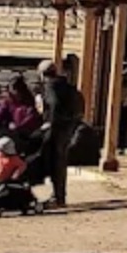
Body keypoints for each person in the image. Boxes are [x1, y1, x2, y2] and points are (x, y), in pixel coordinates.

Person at [38, 56, 84, 209]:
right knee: (60, 161)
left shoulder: (51, 86)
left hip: (56, 129)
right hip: (68, 127)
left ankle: (58, 197)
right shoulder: (67, 86)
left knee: (54, 161)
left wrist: (50, 122)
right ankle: (59, 195)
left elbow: (54, 104)